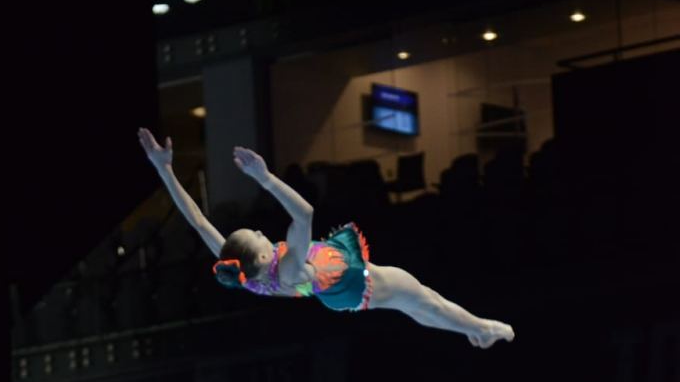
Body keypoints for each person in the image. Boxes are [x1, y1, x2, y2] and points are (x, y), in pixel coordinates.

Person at [137, 129, 515, 348]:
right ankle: (481, 329)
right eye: (255, 235)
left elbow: (199, 220)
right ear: (262, 256)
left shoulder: (246, 270)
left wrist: (164, 170)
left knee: (415, 305)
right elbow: (304, 214)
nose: (257, 230)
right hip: (349, 282)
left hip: (338, 287)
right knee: (421, 298)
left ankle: (471, 329)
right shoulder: (284, 269)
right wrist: (265, 179)